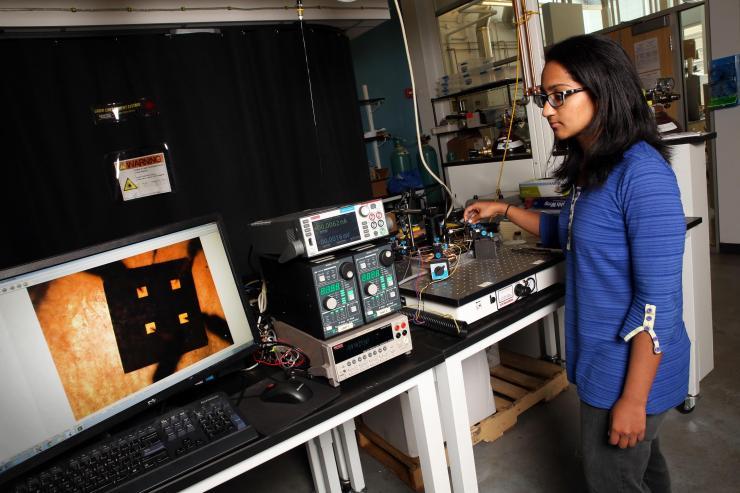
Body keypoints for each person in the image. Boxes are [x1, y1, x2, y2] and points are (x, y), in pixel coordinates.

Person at [464, 34, 690, 493]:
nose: (547, 110)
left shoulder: (642, 175)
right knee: (644, 468)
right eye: (543, 97)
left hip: (628, 371)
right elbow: (564, 231)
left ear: (603, 90)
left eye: (559, 96)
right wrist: (502, 209)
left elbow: (657, 305)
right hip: (604, 362)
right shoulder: (594, 168)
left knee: (612, 479)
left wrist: (631, 399)